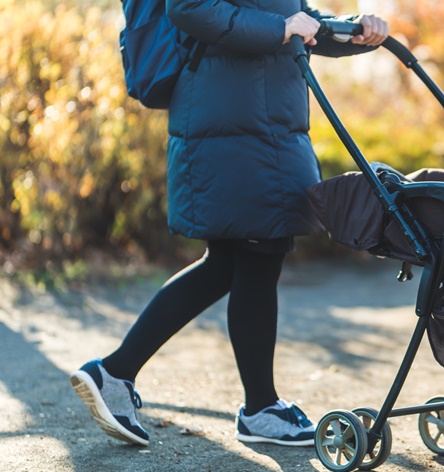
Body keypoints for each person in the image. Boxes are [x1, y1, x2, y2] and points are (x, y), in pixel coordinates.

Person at [70, 1, 389, 448]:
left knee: (231, 260)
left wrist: (353, 32)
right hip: (235, 118)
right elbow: (190, 8)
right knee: (258, 253)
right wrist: (280, 29)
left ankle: (117, 372)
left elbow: (296, 16)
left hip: (259, 118)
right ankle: (258, 407)